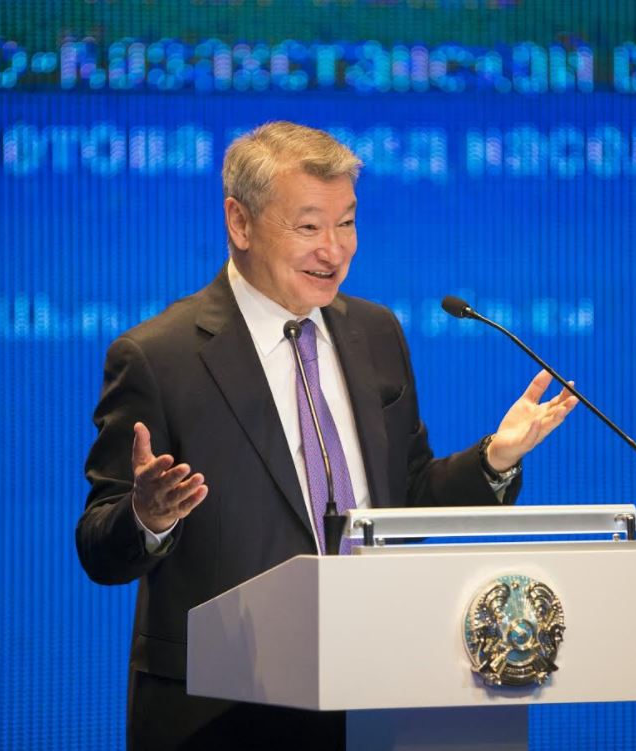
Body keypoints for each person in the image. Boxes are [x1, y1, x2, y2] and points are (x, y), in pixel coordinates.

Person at [76, 121, 578, 750]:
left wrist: (494, 461)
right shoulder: (159, 357)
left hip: (377, 695)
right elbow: (99, 548)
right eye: (309, 227)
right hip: (222, 713)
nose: (334, 250)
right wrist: (147, 517)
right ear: (240, 223)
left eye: (347, 223)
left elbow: (405, 501)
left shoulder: (375, 332)